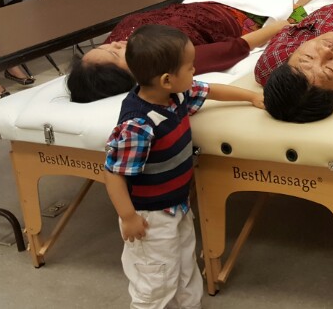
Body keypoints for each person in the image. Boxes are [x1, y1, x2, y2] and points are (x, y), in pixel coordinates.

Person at [103, 24, 264, 309]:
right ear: (167, 79)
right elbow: (114, 173)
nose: (195, 71)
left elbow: (211, 90)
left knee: (184, 266)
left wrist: (250, 97)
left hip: (177, 205)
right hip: (149, 218)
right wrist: (128, 217)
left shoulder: (175, 95)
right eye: (190, 67)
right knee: (156, 280)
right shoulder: (139, 125)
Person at [68, 0, 325, 103]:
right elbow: (232, 49)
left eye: (106, 45)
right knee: (287, 0)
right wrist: (279, 26)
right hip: (233, 14)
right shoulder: (164, 58)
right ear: (133, 74)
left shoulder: (123, 42)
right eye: (114, 52)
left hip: (200, 3)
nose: (114, 43)